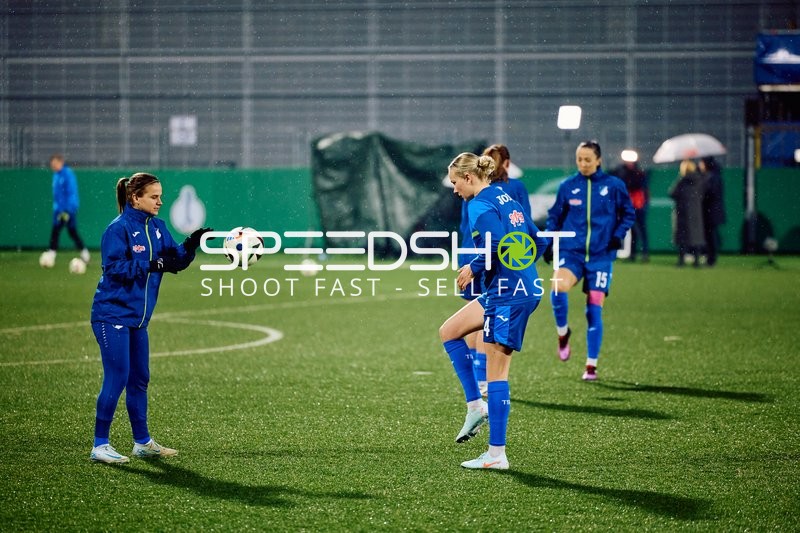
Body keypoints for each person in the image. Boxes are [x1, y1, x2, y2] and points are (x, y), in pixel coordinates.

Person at [89, 172, 212, 464]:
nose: (160, 202)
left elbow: (176, 261)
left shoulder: (157, 227)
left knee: (140, 379)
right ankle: (99, 444)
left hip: (138, 320)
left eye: (160, 196)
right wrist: (151, 264)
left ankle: (142, 442)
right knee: (117, 378)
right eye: (154, 197)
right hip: (112, 314)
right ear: (135, 198)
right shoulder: (118, 229)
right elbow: (114, 268)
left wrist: (191, 245)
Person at [439, 153, 548, 470]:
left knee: (497, 373)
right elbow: (536, 238)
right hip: (512, 288)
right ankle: (476, 406)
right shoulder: (504, 195)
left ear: (469, 178)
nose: (455, 190)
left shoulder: (478, 204)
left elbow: (496, 243)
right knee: (450, 331)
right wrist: (522, 270)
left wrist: (473, 268)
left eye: (456, 183)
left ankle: (496, 455)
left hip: (509, 295)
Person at [544, 140, 635, 381]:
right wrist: (550, 242)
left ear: (598, 160)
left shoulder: (614, 186)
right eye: (579, 160)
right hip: (571, 253)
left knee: (593, 310)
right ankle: (563, 334)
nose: (583, 164)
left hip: (600, 256)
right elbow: (554, 217)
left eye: (587, 159)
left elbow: (628, 214)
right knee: (556, 286)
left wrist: (617, 236)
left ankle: (591, 366)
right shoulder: (568, 186)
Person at [43, 154, 90, 265]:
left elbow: (71, 193)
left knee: (59, 230)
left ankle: (51, 254)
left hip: (68, 210)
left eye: (55, 164)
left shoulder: (67, 174)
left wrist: (68, 210)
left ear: (60, 162)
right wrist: (58, 209)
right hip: (58, 210)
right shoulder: (56, 175)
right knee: (69, 231)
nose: (53, 166)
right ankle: (84, 253)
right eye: (52, 164)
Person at [669, 160, 708, 267]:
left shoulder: (681, 181)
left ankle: (681, 261)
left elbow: (672, 193)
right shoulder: (699, 180)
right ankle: (696, 261)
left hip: (682, 213)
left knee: (683, 238)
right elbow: (702, 194)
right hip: (696, 213)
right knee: (696, 237)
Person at [612, 154, 649, 262]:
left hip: (638, 205)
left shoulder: (639, 173)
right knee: (633, 230)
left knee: (642, 229)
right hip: (629, 205)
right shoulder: (623, 172)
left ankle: (645, 253)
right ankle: (633, 254)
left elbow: (636, 185)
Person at [699, 156, 726, 266]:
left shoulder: (712, 177)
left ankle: (711, 259)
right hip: (712, 212)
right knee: (710, 236)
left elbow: (711, 193)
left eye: (701, 163)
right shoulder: (713, 176)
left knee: (710, 236)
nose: (700, 165)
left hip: (711, 212)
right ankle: (710, 258)